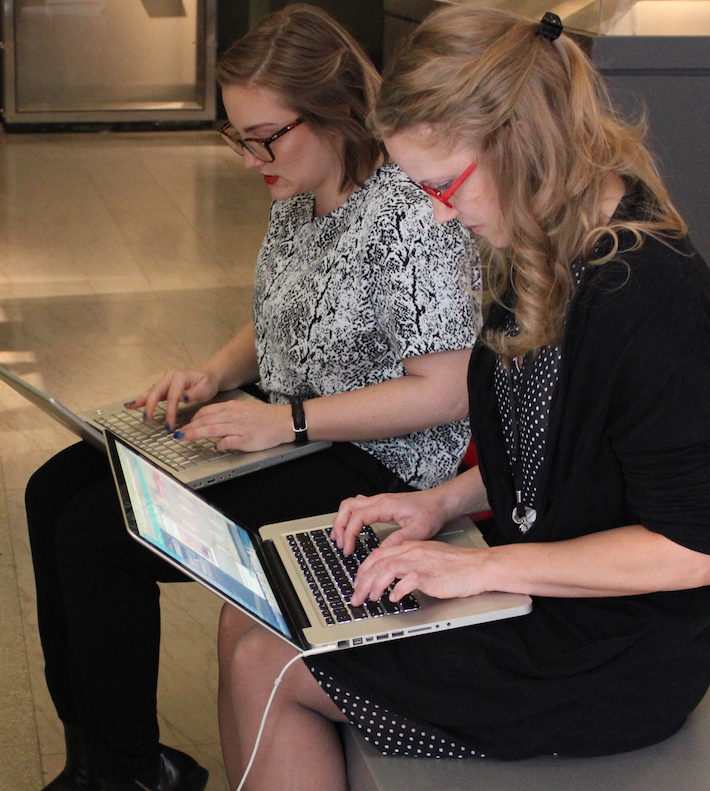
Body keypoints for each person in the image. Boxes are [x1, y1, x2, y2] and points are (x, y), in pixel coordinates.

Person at [216, 7, 710, 790]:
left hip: (613, 649)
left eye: (443, 185)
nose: (438, 211)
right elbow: (545, 451)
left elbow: (693, 551)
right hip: (543, 582)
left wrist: (479, 571)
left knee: (273, 656)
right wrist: (439, 503)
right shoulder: (536, 245)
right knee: (254, 609)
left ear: (517, 141)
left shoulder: (648, 299)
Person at [24, 5, 480, 791]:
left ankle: (129, 772)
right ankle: (100, 754)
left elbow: (444, 391)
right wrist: (211, 374)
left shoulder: (413, 213)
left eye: (263, 136)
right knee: (51, 489)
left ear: (336, 110)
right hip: (292, 424)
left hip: (371, 465)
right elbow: (282, 308)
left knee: (100, 531)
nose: (248, 159)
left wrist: (286, 419)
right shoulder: (300, 190)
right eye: (238, 137)